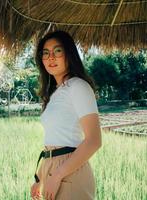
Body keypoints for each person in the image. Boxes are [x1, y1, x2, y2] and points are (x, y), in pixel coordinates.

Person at [30, 31, 102, 200]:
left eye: (58, 51)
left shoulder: (78, 86)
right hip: (53, 168)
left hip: (68, 172)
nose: (51, 58)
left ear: (69, 54)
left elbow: (94, 140)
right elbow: (53, 141)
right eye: (46, 53)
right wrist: (40, 177)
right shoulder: (56, 92)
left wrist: (56, 175)